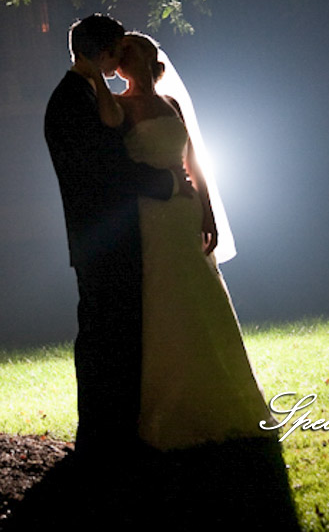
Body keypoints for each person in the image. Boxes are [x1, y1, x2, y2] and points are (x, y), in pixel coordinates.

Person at [101, 32, 303, 528]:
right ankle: (167, 406)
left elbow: (195, 162)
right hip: (150, 219)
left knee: (201, 299)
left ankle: (223, 395)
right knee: (163, 300)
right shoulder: (117, 109)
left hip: (186, 211)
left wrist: (207, 210)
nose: (129, 64)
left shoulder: (171, 102)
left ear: (147, 61)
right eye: (124, 57)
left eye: (134, 55)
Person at [42, 14, 183, 470]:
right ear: (101, 54)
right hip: (100, 239)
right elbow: (107, 171)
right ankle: (103, 439)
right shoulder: (70, 100)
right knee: (105, 339)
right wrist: (163, 182)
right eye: (114, 53)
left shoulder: (83, 93)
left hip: (107, 237)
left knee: (115, 338)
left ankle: (113, 434)